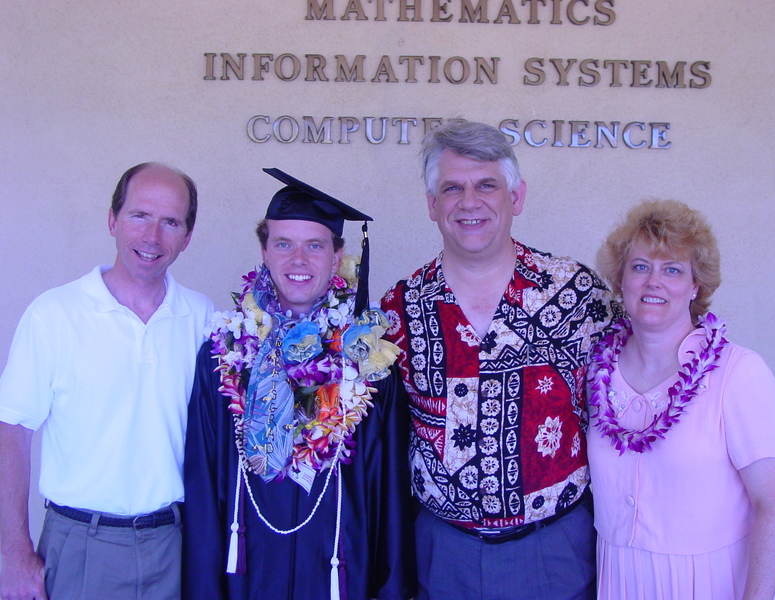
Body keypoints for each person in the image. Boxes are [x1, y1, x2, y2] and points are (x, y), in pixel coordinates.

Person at [380, 120, 617, 600]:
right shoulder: (398, 309)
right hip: (443, 557)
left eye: (487, 184)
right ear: (431, 205)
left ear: (517, 196)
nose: (470, 202)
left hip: (554, 553)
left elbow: (620, 409)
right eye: (452, 188)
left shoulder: (577, 294)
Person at [182, 168, 416, 600]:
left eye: (314, 246)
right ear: (264, 251)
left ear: (336, 255)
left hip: (340, 572)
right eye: (283, 244)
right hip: (246, 574)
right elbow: (200, 487)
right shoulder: (224, 357)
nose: (298, 261)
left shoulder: (370, 364)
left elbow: (393, 498)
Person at [0, 162, 215, 600]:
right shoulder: (54, 314)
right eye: (140, 215)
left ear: (187, 237)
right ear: (113, 219)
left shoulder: (205, 320)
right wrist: (13, 553)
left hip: (175, 548)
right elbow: (12, 432)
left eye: (170, 222)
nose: (152, 237)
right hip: (80, 546)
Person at [587, 199, 775, 600]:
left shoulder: (739, 374)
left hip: (711, 583)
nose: (654, 282)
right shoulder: (598, 371)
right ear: (621, 280)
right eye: (641, 266)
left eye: (672, 270)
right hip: (621, 580)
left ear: (695, 285)